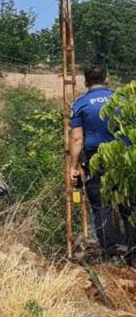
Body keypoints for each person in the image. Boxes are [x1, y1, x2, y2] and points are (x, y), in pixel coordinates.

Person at [70, 63, 134, 264]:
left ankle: (112, 255)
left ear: (86, 82)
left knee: (101, 207)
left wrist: (74, 166)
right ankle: (134, 254)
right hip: (124, 159)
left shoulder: (80, 104)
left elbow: (77, 139)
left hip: (96, 160)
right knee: (130, 206)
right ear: (106, 80)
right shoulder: (123, 99)